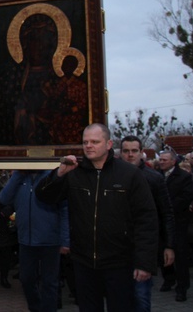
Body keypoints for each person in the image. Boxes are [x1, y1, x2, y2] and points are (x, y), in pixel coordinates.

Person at [36, 123, 158, 312]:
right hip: (83, 262)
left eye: (95, 141)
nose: (89, 146)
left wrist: (144, 262)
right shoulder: (73, 172)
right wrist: (59, 174)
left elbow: (146, 219)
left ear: (108, 144)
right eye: (85, 142)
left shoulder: (129, 174)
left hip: (119, 262)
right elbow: (44, 196)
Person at [0, 170, 69, 312]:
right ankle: (36, 308)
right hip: (26, 240)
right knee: (26, 279)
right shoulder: (19, 177)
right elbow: (4, 198)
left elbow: (64, 210)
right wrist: (18, 174)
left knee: (50, 283)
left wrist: (65, 240)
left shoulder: (52, 176)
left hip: (50, 240)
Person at [120, 136, 176, 312]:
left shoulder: (154, 178)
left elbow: (166, 213)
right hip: (118, 247)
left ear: (141, 152)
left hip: (144, 246)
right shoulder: (113, 175)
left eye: (134, 151)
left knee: (141, 296)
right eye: (126, 151)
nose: (130, 155)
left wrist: (169, 245)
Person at [157, 148, 193, 302]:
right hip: (161, 223)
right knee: (162, 253)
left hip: (178, 222)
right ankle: (168, 279)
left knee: (180, 256)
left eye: (165, 160)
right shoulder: (157, 176)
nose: (161, 162)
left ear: (173, 161)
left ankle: (182, 287)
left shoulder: (184, 177)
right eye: (161, 160)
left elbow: (186, 197)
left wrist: (167, 207)